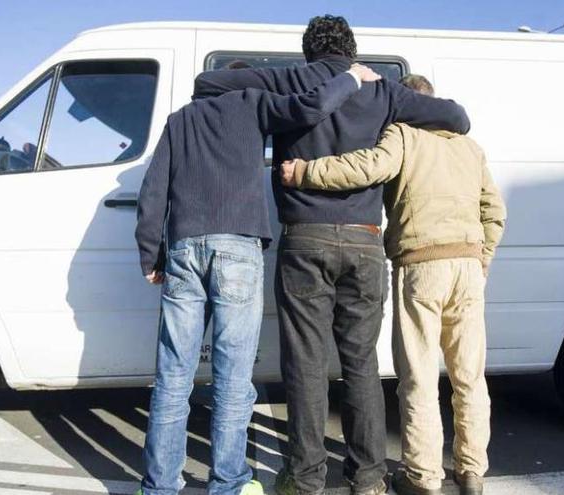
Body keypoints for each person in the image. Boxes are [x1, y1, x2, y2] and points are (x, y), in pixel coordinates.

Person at [194, 16, 470, 495]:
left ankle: (304, 479)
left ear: (309, 52)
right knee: (361, 364)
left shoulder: (293, 78)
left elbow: (207, 82)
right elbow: (458, 117)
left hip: (305, 238)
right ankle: (368, 478)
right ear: (352, 49)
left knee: (304, 364)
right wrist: (367, 83)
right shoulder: (383, 91)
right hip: (364, 241)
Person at [134, 64, 382, 495]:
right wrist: (352, 79)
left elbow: (153, 190)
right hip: (237, 249)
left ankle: (158, 487)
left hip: (184, 248)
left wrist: (150, 253)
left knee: (173, 376)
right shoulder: (252, 103)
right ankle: (228, 482)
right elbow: (313, 106)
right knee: (231, 376)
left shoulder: (179, 121)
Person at [280, 74, 506, 495]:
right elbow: (495, 211)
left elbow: (367, 167)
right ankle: (471, 471)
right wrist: (483, 258)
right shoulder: (470, 148)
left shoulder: (403, 136)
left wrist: (306, 171)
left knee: (418, 375)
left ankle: (423, 477)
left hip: (422, 265)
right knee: (469, 375)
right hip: (468, 267)